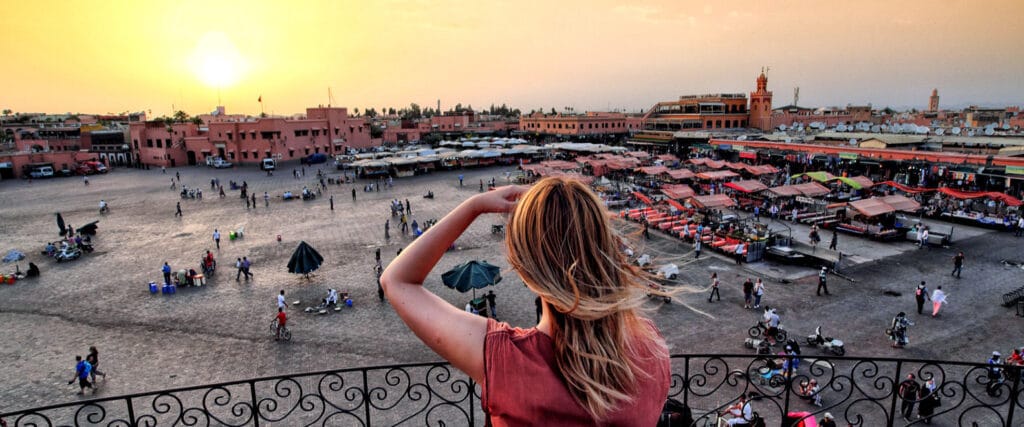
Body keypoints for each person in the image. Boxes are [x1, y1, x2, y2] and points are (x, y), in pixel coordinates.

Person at [381, 178, 670, 424]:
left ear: (523, 269)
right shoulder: (651, 350)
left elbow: (397, 281)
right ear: (605, 248)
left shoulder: (506, 361)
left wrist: (474, 206)